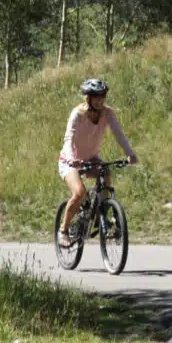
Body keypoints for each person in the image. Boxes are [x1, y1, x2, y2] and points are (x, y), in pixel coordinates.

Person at [57, 79, 138, 247]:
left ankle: (102, 214)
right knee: (79, 192)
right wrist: (72, 158)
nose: (100, 101)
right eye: (96, 97)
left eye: (102, 97)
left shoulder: (107, 113)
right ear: (88, 98)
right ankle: (63, 231)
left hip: (91, 158)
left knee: (106, 173)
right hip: (69, 161)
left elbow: (118, 134)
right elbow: (69, 139)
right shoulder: (77, 114)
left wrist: (130, 153)